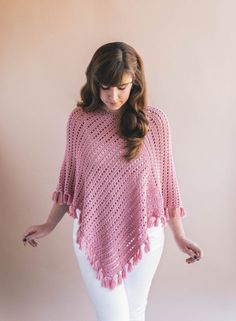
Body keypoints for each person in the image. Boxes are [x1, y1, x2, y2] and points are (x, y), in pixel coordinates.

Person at [22, 41, 203, 321]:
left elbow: (167, 184)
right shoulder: (80, 121)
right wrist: (49, 224)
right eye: (105, 86)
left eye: (122, 86)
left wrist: (179, 235)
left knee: (135, 311)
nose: (113, 95)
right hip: (92, 230)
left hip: (146, 235)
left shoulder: (154, 122)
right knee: (113, 316)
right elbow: (69, 181)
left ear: (136, 83)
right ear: (94, 81)